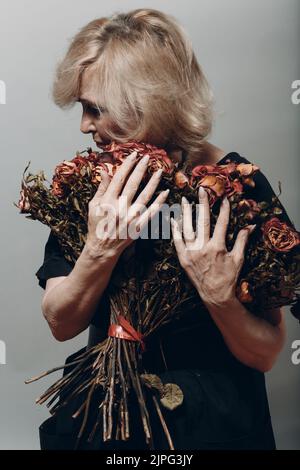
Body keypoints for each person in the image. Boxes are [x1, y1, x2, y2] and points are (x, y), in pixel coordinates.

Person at [35, 8, 290, 450]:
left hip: (216, 423)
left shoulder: (235, 185)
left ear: (149, 101)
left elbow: (266, 354)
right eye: (82, 107)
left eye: (96, 109)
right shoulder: (90, 187)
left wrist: (219, 297)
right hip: (109, 415)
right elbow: (60, 323)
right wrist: (99, 249)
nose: (84, 126)